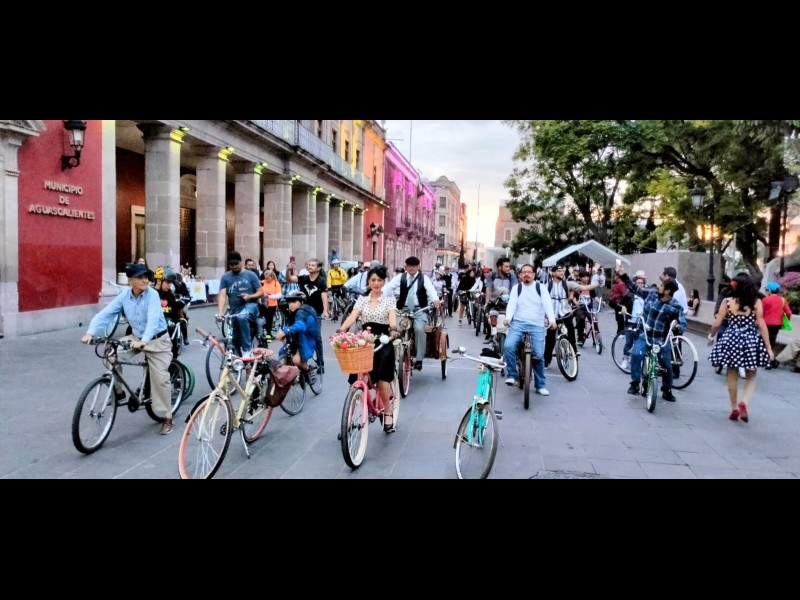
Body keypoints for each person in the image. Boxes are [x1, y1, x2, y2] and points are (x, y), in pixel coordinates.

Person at [80, 262, 175, 435]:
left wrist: (144, 341)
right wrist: (90, 332)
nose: (145, 280)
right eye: (140, 277)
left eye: (146, 277)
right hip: (136, 337)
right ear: (130, 281)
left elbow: (153, 320)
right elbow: (106, 314)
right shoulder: (124, 295)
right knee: (110, 354)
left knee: (160, 379)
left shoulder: (152, 295)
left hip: (157, 340)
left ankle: (168, 416)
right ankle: (118, 391)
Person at [337, 265, 400, 433]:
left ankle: (388, 412)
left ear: (384, 281)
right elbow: (352, 316)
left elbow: (392, 318)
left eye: (379, 280)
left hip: (383, 340)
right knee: (355, 378)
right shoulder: (362, 300)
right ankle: (348, 419)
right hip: (365, 340)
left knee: (382, 379)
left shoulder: (389, 300)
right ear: (368, 281)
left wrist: (393, 330)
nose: (376, 283)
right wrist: (342, 330)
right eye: (373, 280)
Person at [708, 273, 775, 422]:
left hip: (731, 338)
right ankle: (744, 402)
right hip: (750, 339)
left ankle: (734, 408)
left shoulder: (727, 302)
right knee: (751, 375)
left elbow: (717, 323)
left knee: (732, 372)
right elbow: (762, 326)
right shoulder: (756, 302)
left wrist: (711, 336)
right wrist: (769, 348)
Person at [617, 264, 687, 403]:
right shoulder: (652, 294)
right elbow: (635, 288)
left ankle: (667, 390)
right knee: (636, 354)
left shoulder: (675, 306)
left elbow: (683, 322)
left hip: (661, 340)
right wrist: (623, 275)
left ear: (667, 291)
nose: (658, 287)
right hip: (645, 335)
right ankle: (635, 383)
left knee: (666, 364)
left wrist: (678, 326)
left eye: (661, 286)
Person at [502, 264, 557, 395]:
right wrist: (508, 318)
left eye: (529, 272)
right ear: (520, 275)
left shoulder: (540, 288)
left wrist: (552, 320)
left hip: (537, 324)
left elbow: (547, 304)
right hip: (518, 323)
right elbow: (512, 304)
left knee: (539, 355)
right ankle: (512, 375)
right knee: (508, 346)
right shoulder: (516, 288)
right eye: (524, 272)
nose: (526, 274)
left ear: (533, 275)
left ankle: (540, 385)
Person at [382, 256, 441, 371]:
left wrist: (435, 299)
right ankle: (392, 355)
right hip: (403, 309)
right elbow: (388, 288)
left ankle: (419, 359)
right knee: (394, 329)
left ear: (418, 267)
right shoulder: (400, 277)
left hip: (419, 310)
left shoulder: (424, 278)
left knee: (419, 329)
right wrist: (378, 297)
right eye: (409, 266)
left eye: (414, 266)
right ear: (406, 267)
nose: (412, 268)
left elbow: (431, 291)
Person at [543, 263, 600, 368]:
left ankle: (574, 353)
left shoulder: (568, 284)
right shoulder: (546, 286)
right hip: (553, 315)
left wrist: (597, 284)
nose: (561, 273)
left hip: (566, 312)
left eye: (562, 271)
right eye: (559, 271)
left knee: (571, 333)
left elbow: (584, 287)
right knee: (550, 338)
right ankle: (547, 360)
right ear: (553, 273)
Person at [217, 250, 264, 357]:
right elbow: (222, 295)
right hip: (235, 310)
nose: (234, 266)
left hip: (251, 306)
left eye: (236, 264)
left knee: (242, 317)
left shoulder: (250, 275)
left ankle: (247, 349)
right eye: (231, 264)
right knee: (234, 339)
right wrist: (220, 313)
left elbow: (261, 292)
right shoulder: (225, 277)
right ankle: (238, 360)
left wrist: (249, 297)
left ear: (241, 262)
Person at [286, 258, 329, 373]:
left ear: (318, 268)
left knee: (317, 337)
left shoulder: (321, 281)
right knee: (296, 333)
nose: (310, 267)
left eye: (313, 265)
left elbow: (324, 297)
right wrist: (288, 270)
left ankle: (320, 363)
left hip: (315, 313)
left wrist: (325, 311)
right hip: (301, 312)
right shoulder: (303, 278)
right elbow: (289, 279)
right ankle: (299, 359)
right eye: (309, 265)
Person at [275, 290, 319, 383]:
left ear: (301, 302)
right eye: (289, 302)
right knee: (283, 353)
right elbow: (289, 325)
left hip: (305, 340)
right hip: (296, 339)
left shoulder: (301, 312)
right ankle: (289, 374)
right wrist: (283, 331)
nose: (290, 304)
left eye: (294, 301)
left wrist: (286, 331)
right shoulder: (292, 312)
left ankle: (308, 370)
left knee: (296, 361)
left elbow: (301, 326)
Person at [482, 257, 518, 341]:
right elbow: (488, 288)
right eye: (506, 266)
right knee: (487, 316)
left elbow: (514, 288)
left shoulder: (511, 276)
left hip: (507, 301)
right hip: (494, 301)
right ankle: (490, 334)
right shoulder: (492, 275)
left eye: (509, 266)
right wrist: (487, 302)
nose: (508, 268)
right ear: (499, 267)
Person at [762, 281, 792, 349]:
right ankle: (770, 352)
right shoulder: (783, 300)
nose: (766, 291)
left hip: (766, 323)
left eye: (766, 290)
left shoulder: (765, 299)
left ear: (770, 290)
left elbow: (761, 312)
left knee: (764, 338)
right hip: (778, 324)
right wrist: (787, 320)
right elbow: (789, 313)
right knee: (773, 338)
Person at [260, 268, 282, 340]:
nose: (266, 279)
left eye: (268, 278)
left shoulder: (276, 283)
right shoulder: (262, 282)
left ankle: (268, 334)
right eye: (265, 278)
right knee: (262, 318)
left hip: (272, 304)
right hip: (263, 304)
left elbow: (279, 295)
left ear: (272, 277)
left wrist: (269, 296)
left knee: (269, 319)